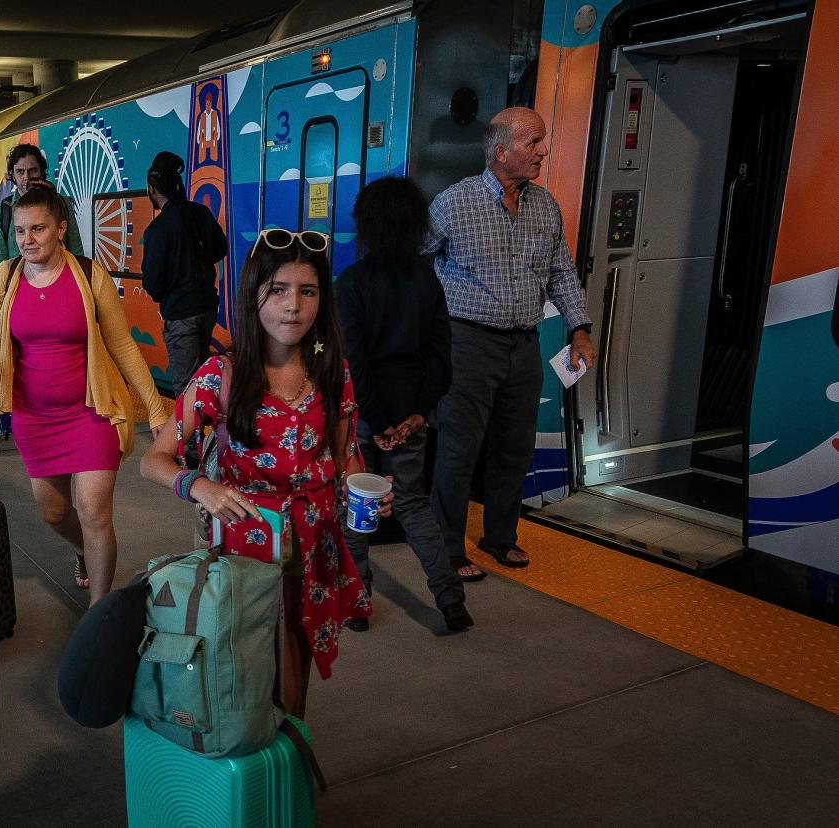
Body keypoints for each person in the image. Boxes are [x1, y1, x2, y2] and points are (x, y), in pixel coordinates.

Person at [140, 228, 389, 717]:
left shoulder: (332, 373)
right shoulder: (222, 375)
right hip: (242, 547)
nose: (293, 305)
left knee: (294, 663)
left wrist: (365, 490)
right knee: (240, 662)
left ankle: (288, 760)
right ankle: (245, 760)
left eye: (308, 291)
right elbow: (155, 459)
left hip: (312, 545)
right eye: (277, 290)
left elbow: (344, 460)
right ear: (254, 295)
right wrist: (201, 487)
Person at [0, 187, 169, 605]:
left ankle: (98, 616)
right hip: (34, 417)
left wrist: (156, 410)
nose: (28, 239)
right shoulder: (5, 278)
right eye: (22, 230)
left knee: (94, 511)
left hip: (91, 412)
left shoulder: (88, 274)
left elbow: (122, 346)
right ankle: (83, 549)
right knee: (53, 513)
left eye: (39, 229)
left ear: (61, 228)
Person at [427, 107, 597, 579]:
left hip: (524, 345)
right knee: (459, 448)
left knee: (514, 447)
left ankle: (500, 537)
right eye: (535, 142)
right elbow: (412, 261)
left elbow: (562, 272)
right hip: (467, 342)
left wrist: (579, 328)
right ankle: (447, 548)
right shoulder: (452, 204)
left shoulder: (546, 206)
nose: (544, 150)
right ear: (501, 152)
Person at [335, 177, 472, 633]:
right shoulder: (427, 281)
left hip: (364, 417)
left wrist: (374, 420)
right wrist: (416, 415)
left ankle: (357, 604)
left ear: (367, 225)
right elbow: (440, 357)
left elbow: (354, 359)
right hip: (410, 416)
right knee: (413, 504)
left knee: (356, 506)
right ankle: (451, 601)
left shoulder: (352, 283)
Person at [141, 151, 228, 397]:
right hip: (207, 307)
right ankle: (203, 432)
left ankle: (190, 435)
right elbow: (220, 248)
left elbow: (153, 283)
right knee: (202, 378)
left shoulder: (157, 229)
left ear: (153, 187)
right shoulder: (200, 213)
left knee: (185, 388)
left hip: (181, 314)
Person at [0, 143, 83, 285]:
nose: (26, 177)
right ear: (12, 174)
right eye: (20, 171)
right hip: (20, 290)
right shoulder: (0, 214)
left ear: (41, 171)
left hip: (62, 285)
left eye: (32, 170)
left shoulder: (62, 204)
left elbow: (76, 252)